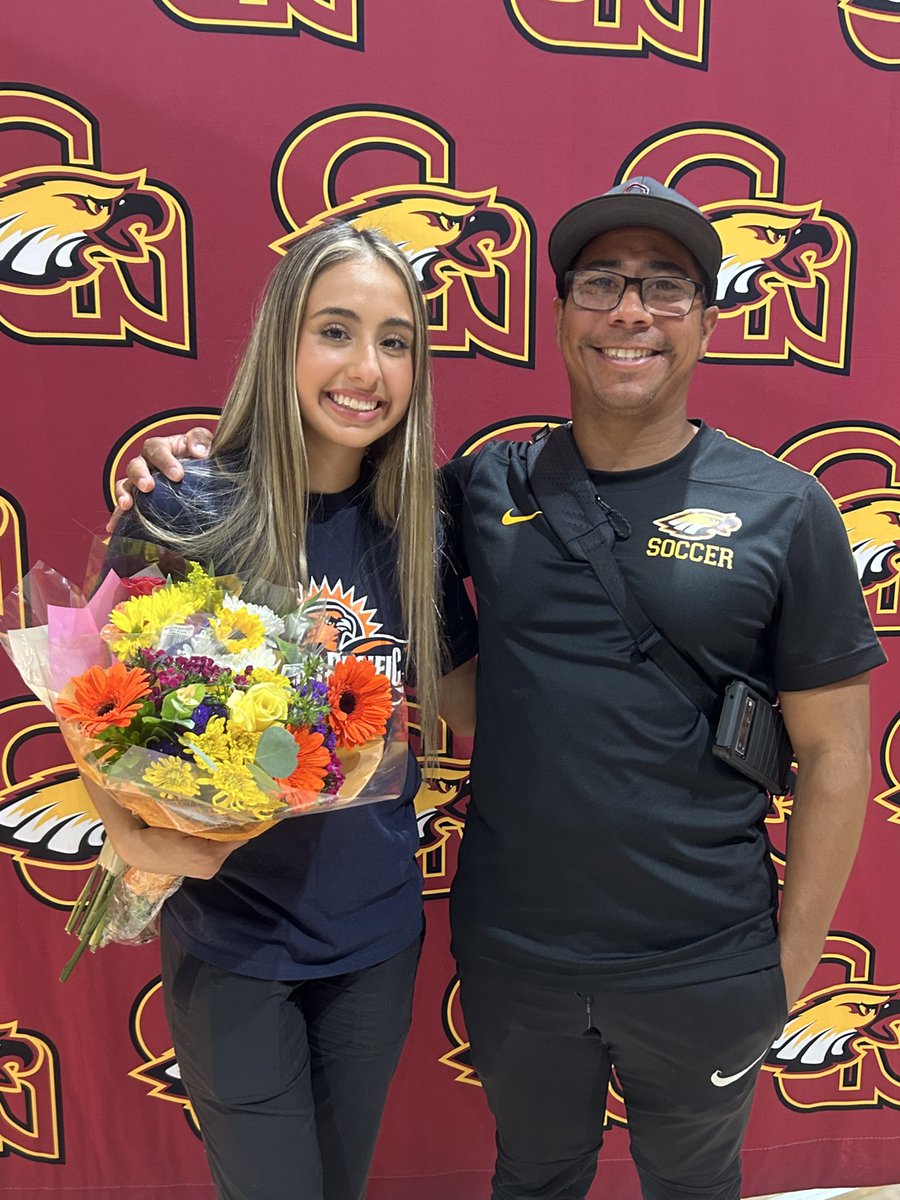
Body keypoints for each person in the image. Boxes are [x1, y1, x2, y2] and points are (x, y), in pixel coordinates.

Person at [116, 179, 885, 1200]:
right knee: (530, 1175)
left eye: (665, 286)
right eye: (602, 282)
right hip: (504, 956)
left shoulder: (783, 509)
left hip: (704, 953)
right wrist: (195, 474)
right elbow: (146, 696)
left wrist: (786, 970)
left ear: (708, 316)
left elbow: (835, 758)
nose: (630, 311)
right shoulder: (480, 490)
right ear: (561, 312)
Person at [88, 221, 478, 1200]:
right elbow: (106, 735)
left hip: (378, 943)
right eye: (335, 330)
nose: (367, 367)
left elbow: (475, 701)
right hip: (236, 946)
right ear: (282, 343)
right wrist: (138, 839)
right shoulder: (184, 511)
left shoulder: (420, 527)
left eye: (396, 341)